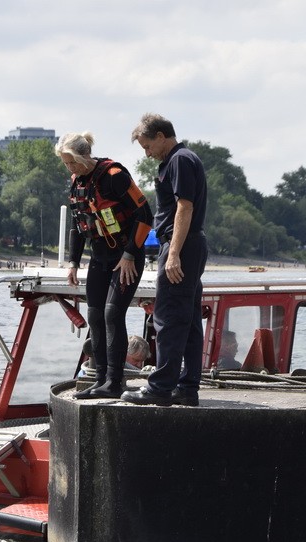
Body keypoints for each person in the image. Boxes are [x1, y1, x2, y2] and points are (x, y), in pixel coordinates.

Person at [56, 131, 153, 399]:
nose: (69, 168)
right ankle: (100, 381)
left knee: (112, 314)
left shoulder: (114, 176)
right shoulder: (76, 182)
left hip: (126, 258)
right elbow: (78, 226)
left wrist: (130, 253)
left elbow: (145, 215)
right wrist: (73, 262)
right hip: (99, 257)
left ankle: (115, 381)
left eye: (72, 163)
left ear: (85, 156)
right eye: (65, 164)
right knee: (95, 316)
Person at [121, 114, 208, 407]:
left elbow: (185, 206)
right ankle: (187, 387)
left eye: (147, 146)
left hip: (181, 246)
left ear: (161, 136)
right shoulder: (182, 159)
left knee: (169, 317)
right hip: (190, 245)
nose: (146, 153)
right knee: (189, 320)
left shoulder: (179, 160)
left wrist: (172, 254)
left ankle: (160, 388)